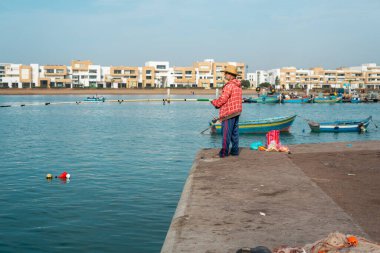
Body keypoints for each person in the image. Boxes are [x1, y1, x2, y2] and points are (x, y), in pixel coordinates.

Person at [211, 65, 242, 158]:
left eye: (226, 73)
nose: (224, 74)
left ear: (231, 75)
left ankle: (224, 153)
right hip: (236, 112)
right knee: (234, 133)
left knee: (226, 134)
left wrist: (214, 103)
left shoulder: (229, 86)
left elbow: (223, 99)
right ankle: (235, 151)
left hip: (228, 113)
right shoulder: (238, 85)